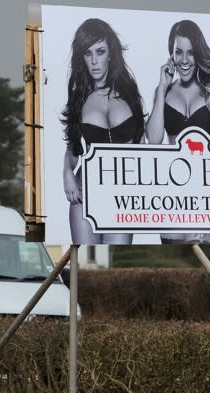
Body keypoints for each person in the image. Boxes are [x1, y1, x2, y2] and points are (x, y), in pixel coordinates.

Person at [146, 19, 210, 244]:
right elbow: (154, 140)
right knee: (174, 256)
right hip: (169, 189)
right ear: (171, 54)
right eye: (178, 52)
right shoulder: (162, 91)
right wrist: (162, 87)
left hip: (204, 191)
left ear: (199, 55)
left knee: (199, 260)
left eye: (191, 53)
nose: (184, 60)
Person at [61, 18, 145, 244]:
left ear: (111, 54)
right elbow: (73, 151)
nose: (95, 61)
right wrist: (67, 174)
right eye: (88, 54)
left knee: (114, 263)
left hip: (122, 194)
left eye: (100, 52)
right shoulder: (79, 99)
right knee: (86, 267)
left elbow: (143, 148)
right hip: (85, 193)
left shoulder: (129, 95)